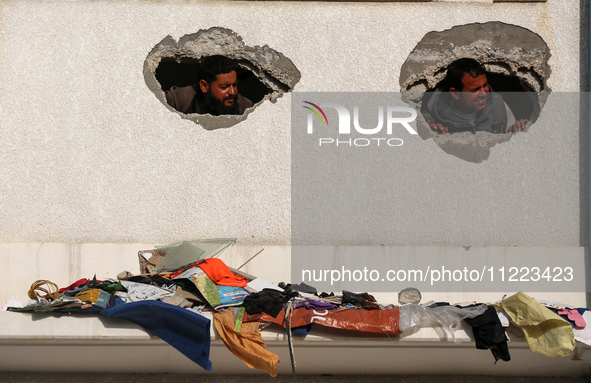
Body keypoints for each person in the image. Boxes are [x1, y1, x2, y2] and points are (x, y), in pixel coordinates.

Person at [422, 58, 527, 134]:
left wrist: (516, 129)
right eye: (474, 90)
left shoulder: (498, 105)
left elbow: (509, 137)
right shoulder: (436, 110)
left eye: (485, 85)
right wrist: (430, 129)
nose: (484, 94)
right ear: (455, 93)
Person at [165, 55, 254, 116]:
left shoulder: (246, 108)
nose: (233, 92)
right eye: (224, 87)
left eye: (234, 85)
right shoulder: (177, 102)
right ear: (204, 86)